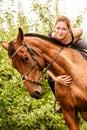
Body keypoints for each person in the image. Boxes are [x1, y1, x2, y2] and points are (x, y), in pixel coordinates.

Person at [47, 15, 87, 112]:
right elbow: (47, 66)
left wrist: (68, 48)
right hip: (61, 51)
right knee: (49, 78)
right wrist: (55, 78)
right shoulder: (50, 39)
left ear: (69, 30)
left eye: (64, 29)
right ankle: (60, 102)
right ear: (54, 28)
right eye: (58, 28)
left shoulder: (73, 33)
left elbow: (81, 30)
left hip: (75, 45)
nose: (60, 32)